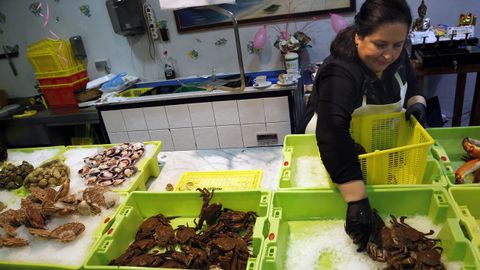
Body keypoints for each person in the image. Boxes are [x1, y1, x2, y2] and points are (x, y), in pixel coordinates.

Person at [301, 0, 427, 252]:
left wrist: (417, 102)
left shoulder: (396, 53)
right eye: (380, 45)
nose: (389, 55)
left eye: (397, 44)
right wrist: (356, 199)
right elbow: (332, 131)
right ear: (359, 36)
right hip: (333, 155)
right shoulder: (340, 71)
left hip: (381, 149)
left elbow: (411, 80)